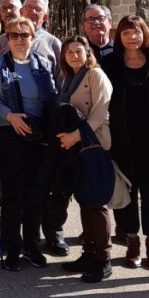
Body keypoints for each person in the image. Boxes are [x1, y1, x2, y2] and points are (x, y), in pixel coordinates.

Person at [0, 16, 58, 271]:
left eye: (24, 35)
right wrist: (10, 116)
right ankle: (12, 247)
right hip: (8, 133)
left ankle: (32, 246)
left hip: (37, 135)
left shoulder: (43, 64)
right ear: (7, 38)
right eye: (13, 35)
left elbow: (51, 99)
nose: (18, 40)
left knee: (36, 195)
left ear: (33, 37)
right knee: (13, 195)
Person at [101, 15, 149, 270]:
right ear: (119, 37)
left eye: (136, 32)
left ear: (145, 34)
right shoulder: (109, 63)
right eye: (126, 33)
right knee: (128, 189)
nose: (132, 37)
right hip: (121, 138)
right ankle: (132, 242)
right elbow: (102, 100)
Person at [52, 36, 113, 282]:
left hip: (93, 145)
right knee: (85, 200)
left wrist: (75, 136)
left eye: (79, 51)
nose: (74, 55)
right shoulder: (68, 78)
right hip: (77, 148)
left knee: (96, 203)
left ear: (88, 53)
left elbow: (101, 113)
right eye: (69, 52)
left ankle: (103, 258)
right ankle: (89, 252)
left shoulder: (95, 76)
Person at [0, 0, 62, 73]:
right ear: (21, 11)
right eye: (29, 8)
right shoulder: (3, 40)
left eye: (38, 9)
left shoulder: (53, 44)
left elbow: (61, 79)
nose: (33, 12)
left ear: (45, 17)